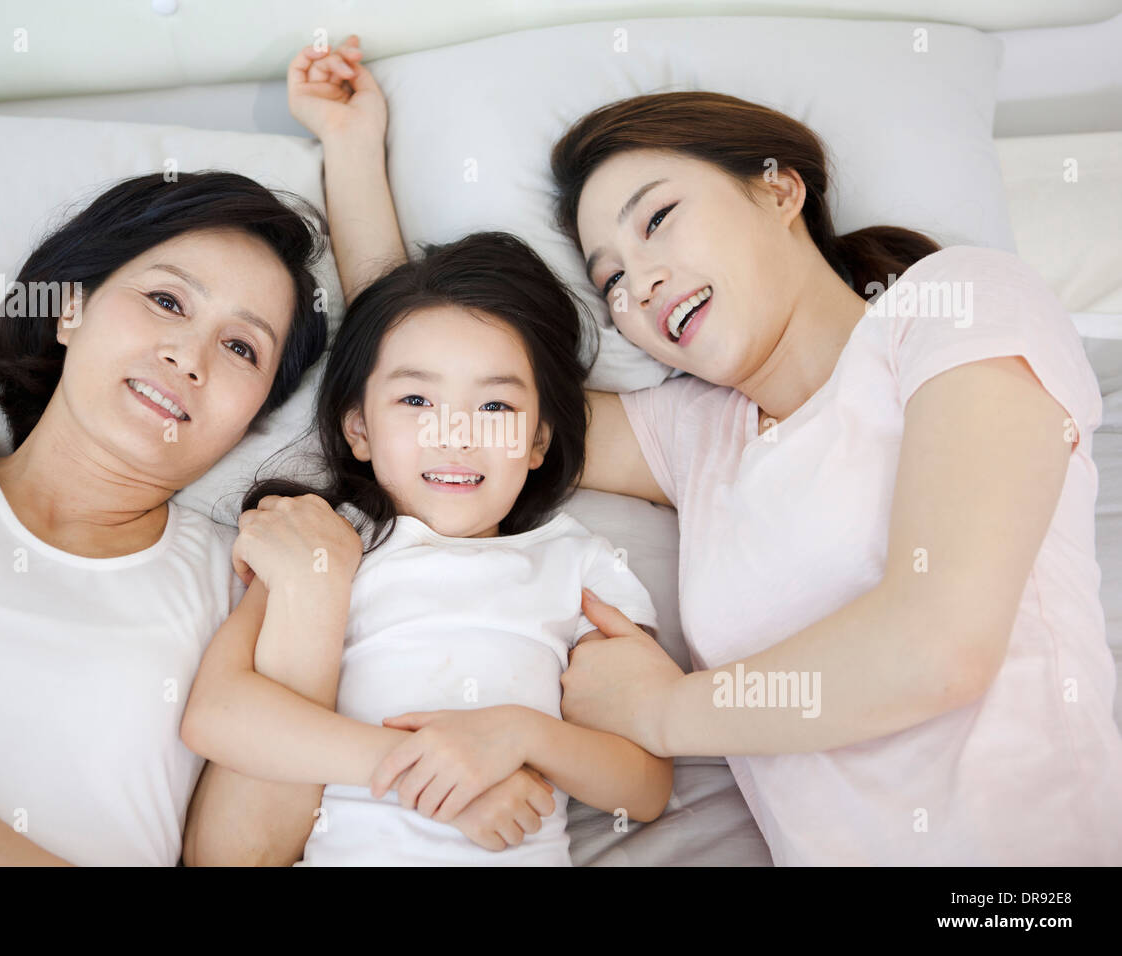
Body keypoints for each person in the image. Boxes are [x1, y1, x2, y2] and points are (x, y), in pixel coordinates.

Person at [290, 35, 1122, 865]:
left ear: (778, 189)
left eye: (658, 219)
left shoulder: (955, 304)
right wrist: (354, 150)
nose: (639, 283)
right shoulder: (695, 437)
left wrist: (663, 713)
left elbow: (936, 649)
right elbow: (433, 371)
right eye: (609, 278)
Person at [0, 171, 332, 865]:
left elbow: (239, 859)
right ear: (71, 310)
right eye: (165, 300)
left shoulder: (246, 580)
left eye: (241, 348)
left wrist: (313, 594)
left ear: (254, 418)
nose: (189, 358)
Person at [182, 230, 672, 865]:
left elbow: (646, 787)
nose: (455, 434)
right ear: (359, 428)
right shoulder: (330, 543)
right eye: (416, 400)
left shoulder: (578, 564)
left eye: (494, 405)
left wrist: (520, 736)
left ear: (537, 442)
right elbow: (216, 715)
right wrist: (432, 775)